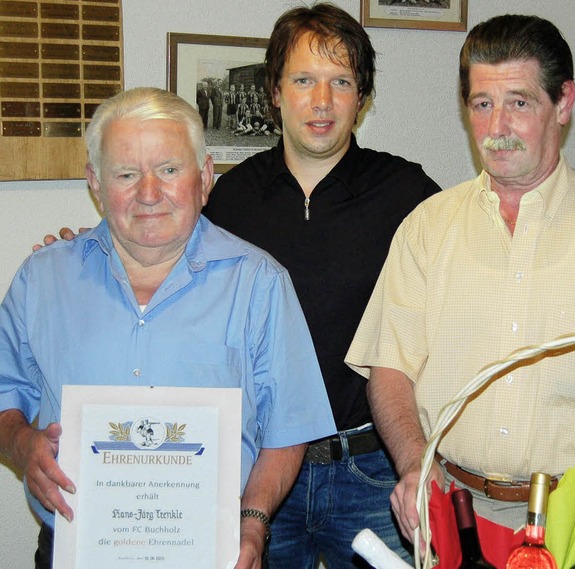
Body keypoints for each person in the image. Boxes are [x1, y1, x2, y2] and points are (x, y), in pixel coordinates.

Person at [0, 87, 336, 569]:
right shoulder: (41, 279)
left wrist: (253, 524)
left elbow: (288, 429)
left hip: (214, 554)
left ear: (204, 176)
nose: (149, 193)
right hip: (76, 550)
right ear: (95, 182)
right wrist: (20, 442)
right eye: (126, 173)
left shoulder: (260, 284)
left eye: (170, 170)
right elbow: (4, 393)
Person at [345, 13, 575, 551]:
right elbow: (390, 370)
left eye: (520, 102)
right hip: (457, 516)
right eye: (482, 104)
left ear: (565, 102)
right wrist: (415, 464)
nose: (497, 127)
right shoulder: (428, 227)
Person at [203, 4, 441, 567]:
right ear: (274, 92)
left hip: (373, 472)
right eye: (304, 80)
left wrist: (561, 200)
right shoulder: (228, 201)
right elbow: (157, 265)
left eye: (341, 82)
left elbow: (482, 256)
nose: (322, 101)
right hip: (257, 477)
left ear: (362, 98)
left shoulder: (408, 194)